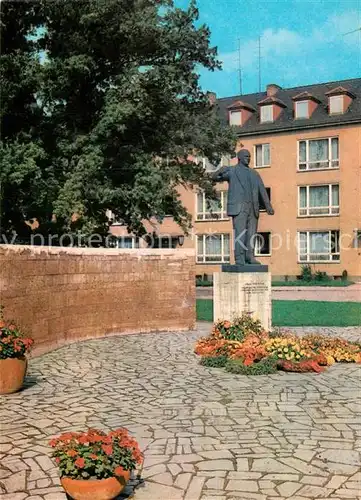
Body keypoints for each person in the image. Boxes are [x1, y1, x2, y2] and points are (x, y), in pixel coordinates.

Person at [211, 149, 274, 265]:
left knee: (252, 234)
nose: (248, 158)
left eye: (249, 156)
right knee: (240, 233)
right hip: (239, 208)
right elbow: (214, 178)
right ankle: (239, 258)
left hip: (253, 208)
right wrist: (220, 170)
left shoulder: (254, 173)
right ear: (239, 158)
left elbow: (262, 189)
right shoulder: (232, 171)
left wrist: (268, 205)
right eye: (246, 156)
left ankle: (250, 257)